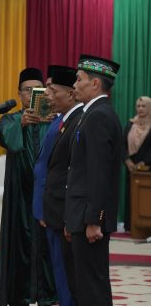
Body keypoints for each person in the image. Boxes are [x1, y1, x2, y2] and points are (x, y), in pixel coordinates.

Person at [0, 67, 57, 306]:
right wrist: (21, 123)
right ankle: (21, 294)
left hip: (48, 196)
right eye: (26, 90)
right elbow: (2, 136)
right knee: (20, 244)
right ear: (19, 94)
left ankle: (48, 294)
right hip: (20, 195)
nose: (31, 94)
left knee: (48, 245)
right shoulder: (11, 119)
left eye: (37, 90)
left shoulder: (54, 118)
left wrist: (55, 119)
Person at [65, 54, 123, 306]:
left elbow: (100, 173)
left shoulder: (99, 116)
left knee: (92, 288)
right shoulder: (91, 113)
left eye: (79, 79)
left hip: (89, 218)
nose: (74, 85)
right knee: (86, 285)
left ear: (95, 84)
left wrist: (94, 220)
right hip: (81, 214)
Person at [34, 66, 82, 306]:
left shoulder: (77, 120)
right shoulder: (60, 119)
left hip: (62, 209)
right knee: (58, 270)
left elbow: (71, 171)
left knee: (67, 272)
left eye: (52, 91)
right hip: (51, 205)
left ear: (71, 94)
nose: (47, 96)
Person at [123, 96, 151, 231]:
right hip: (131, 167)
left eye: (144, 106)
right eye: (138, 106)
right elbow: (122, 145)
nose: (140, 109)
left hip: (147, 169)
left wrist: (143, 162)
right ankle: (130, 225)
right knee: (131, 196)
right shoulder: (130, 124)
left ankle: (145, 227)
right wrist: (127, 160)